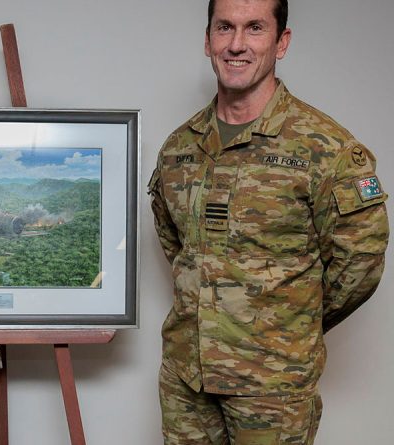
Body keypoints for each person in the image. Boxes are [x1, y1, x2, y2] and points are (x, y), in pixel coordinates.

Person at [148, 0, 389, 443]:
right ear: (207, 40)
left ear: (282, 43)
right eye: (224, 28)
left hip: (272, 387)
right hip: (187, 378)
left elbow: (361, 262)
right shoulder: (178, 148)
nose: (236, 44)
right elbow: (178, 244)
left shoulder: (326, 149)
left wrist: (288, 322)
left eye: (254, 28)